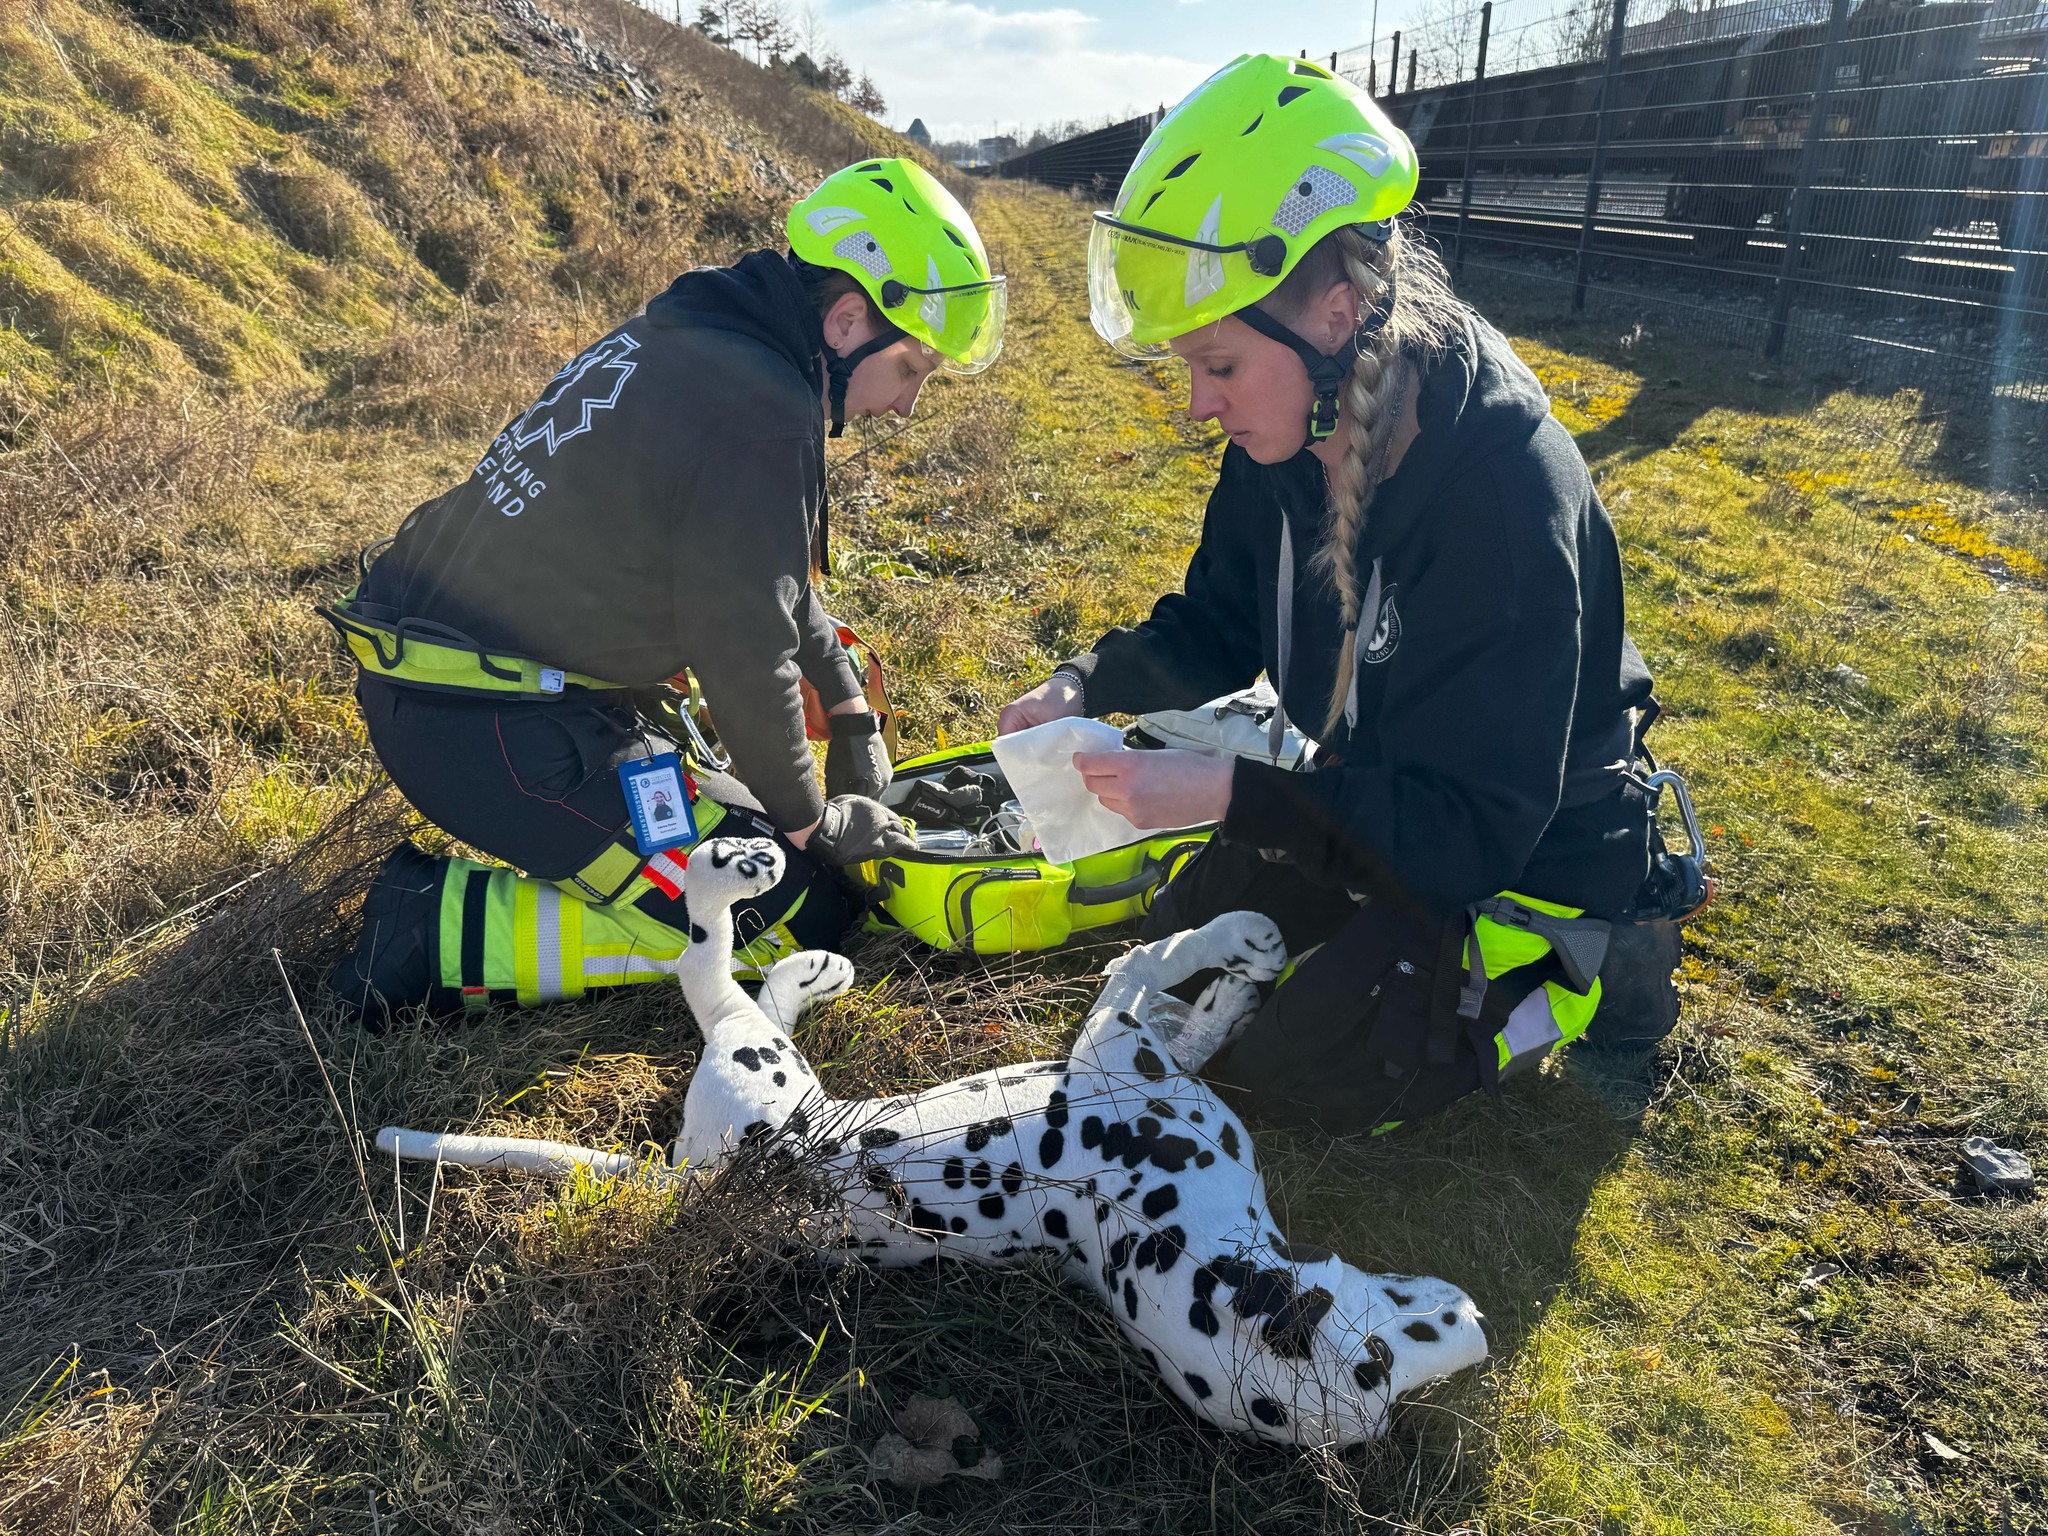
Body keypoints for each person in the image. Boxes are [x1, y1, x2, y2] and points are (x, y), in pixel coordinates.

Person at [999, 55, 1685, 1131]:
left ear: (1334, 313)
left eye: (1217, 368)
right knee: (1178, 954)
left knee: (1294, 1075)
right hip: (1378, 789)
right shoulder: (1285, 434)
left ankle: (1616, 939)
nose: (1193, 405)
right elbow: (1223, 620)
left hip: (1514, 846)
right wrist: (1084, 680)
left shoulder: (1500, 494)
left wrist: (1229, 794)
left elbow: (1470, 827)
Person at [326, 158, 1005, 1018]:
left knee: (763, 841)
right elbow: (744, 640)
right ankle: (423, 929)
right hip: (497, 731)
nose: (906, 405)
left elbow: (772, 581)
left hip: (475, 696)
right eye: (913, 369)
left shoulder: (705, 341)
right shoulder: (762, 403)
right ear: (845, 321)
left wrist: (852, 713)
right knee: (801, 920)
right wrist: (811, 824)